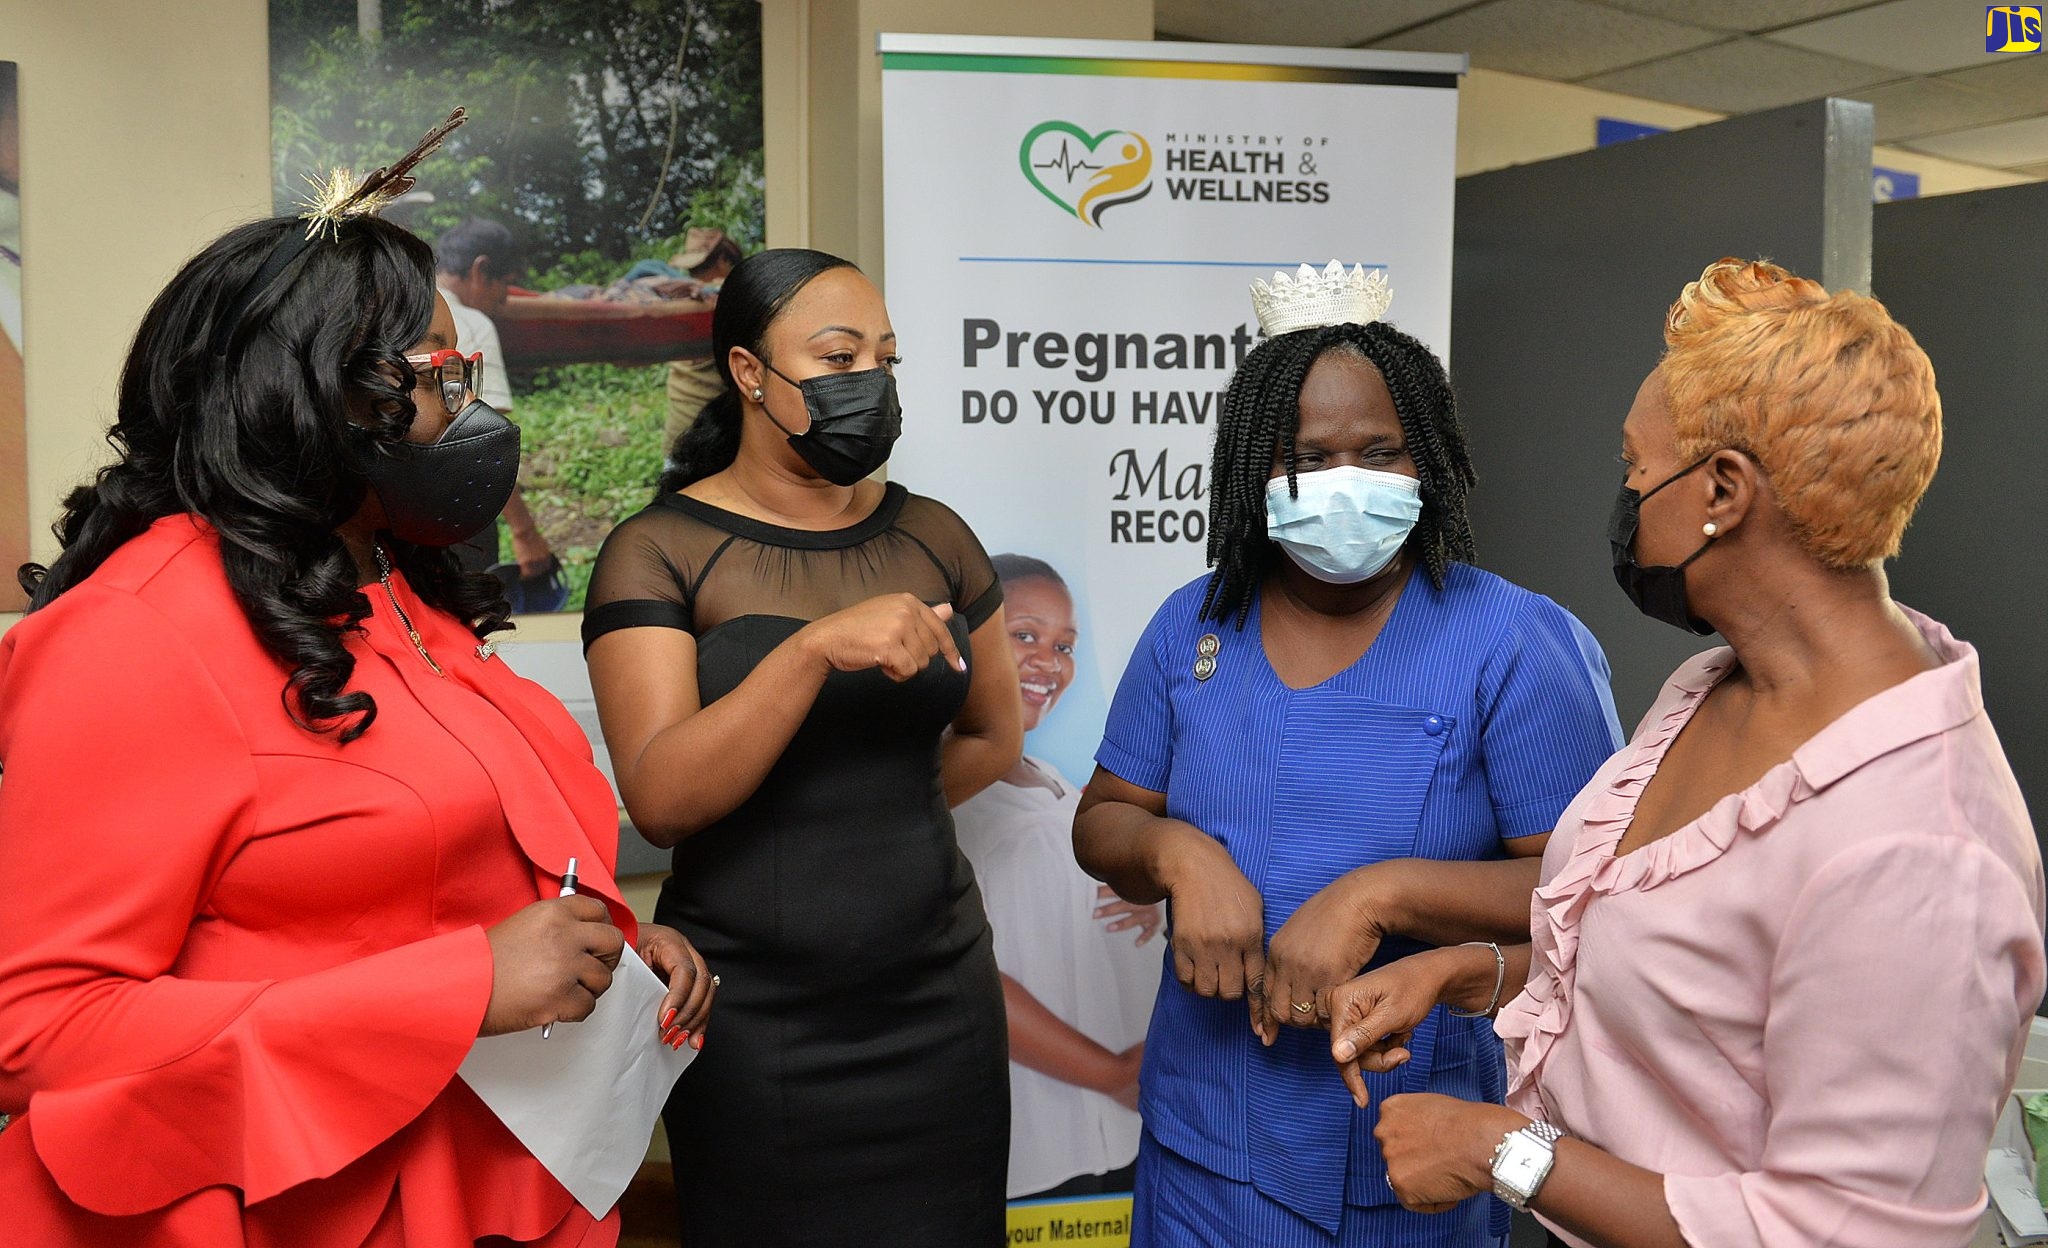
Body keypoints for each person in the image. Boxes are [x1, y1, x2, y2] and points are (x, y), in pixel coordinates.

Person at [0, 142, 715, 1248]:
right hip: (291, 1206)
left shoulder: (392, 584)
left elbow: (434, 863)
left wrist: (607, 954)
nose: (463, 410)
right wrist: (459, 989)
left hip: (487, 1176)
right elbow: (42, 1027)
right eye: (437, 376)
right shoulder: (131, 633)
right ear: (315, 393)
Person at [1335, 259, 2045, 1248]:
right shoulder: (1715, 688)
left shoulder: (1917, 850)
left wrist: (1503, 1151)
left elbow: (1839, 1233)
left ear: (1720, 490)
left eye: (1634, 467)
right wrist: (1468, 973)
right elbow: (1683, 979)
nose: (1623, 495)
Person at [1072, 263, 1624, 1248]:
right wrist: (1176, 856)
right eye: (1309, 457)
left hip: (1411, 1147)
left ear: (1431, 464)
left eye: (1379, 454)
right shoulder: (1192, 625)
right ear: (1255, 469)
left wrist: (1377, 895)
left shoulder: (1512, 641)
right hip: (1207, 1145)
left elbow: (1590, 888)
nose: (1344, 484)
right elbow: (1104, 816)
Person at [581, 247, 1023, 1246]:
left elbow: (994, 732)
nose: (867, 379)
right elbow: (658, 796)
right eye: (835, 356)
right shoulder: (658, 550)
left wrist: (879, 802)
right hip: (751, 1012)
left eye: (884, 355)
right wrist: (815, 650)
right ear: (748, 373)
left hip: (935, 998)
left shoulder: (936, 537)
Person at [954, 553, 1162, 1202]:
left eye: (1064, 645)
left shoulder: (1045, 777)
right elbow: (966, 975)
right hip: (1035, 1136)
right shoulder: (940, 792)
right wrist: (1111, 1073)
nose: (1051, 662)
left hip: (1117, 1132)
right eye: (1025, 636)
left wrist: (1148, 900)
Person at [434, 217, 555, 589]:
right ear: (481, 269)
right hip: (454, 522)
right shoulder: (470, 324)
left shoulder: (390, 312)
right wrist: (525, 532)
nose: (503, 300)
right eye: (504, 285)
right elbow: (485, 445)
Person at [662, 225, 743, 450]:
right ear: (724, 261)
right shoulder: (728, 299)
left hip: (680, 425)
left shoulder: (676, 299)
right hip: (713, 431)